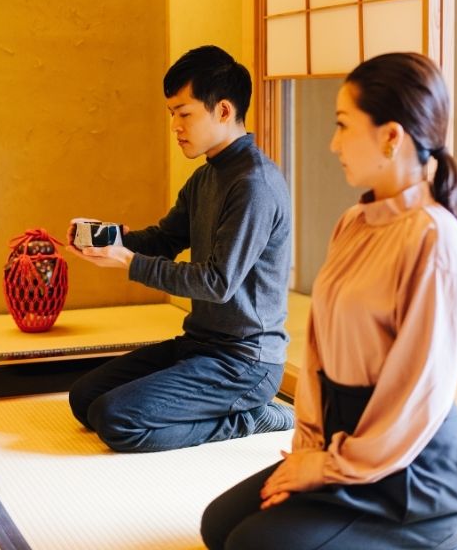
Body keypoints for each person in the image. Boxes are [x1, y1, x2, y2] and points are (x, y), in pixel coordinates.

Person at [201, 52, 457, 550]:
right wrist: (309, 449)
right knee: (220, 525)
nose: (332, 143)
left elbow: (421, 390)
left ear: (391, 136)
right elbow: (315, 353)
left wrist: (331, 468)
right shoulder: (355, 221)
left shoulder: (434, 239)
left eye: (342, 125)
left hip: (416, 477)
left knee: (253, 545)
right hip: (342, 443)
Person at [66, 45, 293, 453]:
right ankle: (231, 409)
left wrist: (130, 263)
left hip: (245, 362)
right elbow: (166, 240)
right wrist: (112, 242)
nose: (175, 125)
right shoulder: (206, 178)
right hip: (199, 345)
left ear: (223, 111)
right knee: (84, 399)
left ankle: (249, 417)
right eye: (172, 113)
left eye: (184, 113)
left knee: (117, 421)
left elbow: (217, 282)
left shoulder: (254, 184)